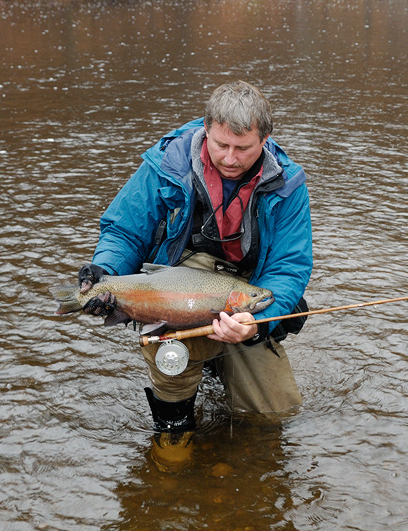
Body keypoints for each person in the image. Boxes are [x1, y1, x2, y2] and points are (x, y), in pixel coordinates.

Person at [77, 81, 312, 467]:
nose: (231, 158)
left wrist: (257, 323)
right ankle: (174, 425)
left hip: (245, 295)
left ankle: (225, 363)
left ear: (265, 140)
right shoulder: (166, 164)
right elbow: (124, 230)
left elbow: (289, 268)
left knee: (273, 414)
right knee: (180, 353)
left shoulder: (287, 185)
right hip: (175, 286)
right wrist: (105, 271)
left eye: (243, 148)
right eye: (221, 145)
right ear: (206, 129)